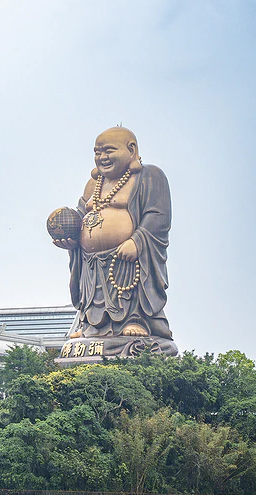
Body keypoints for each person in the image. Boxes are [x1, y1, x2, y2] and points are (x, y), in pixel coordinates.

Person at [53, 127, 173, 341]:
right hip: (91, 262)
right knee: (94, 293)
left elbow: (158, 214)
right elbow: (82, 215)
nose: (102, 158)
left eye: (108, 151)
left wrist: (138, 240)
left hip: (127, 259)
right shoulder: (94, 184)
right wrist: (71, 238)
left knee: (126, 289)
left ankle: (135, 319)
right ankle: (91, 324)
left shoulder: (148, 176)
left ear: (131, 149)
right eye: (97, 152)